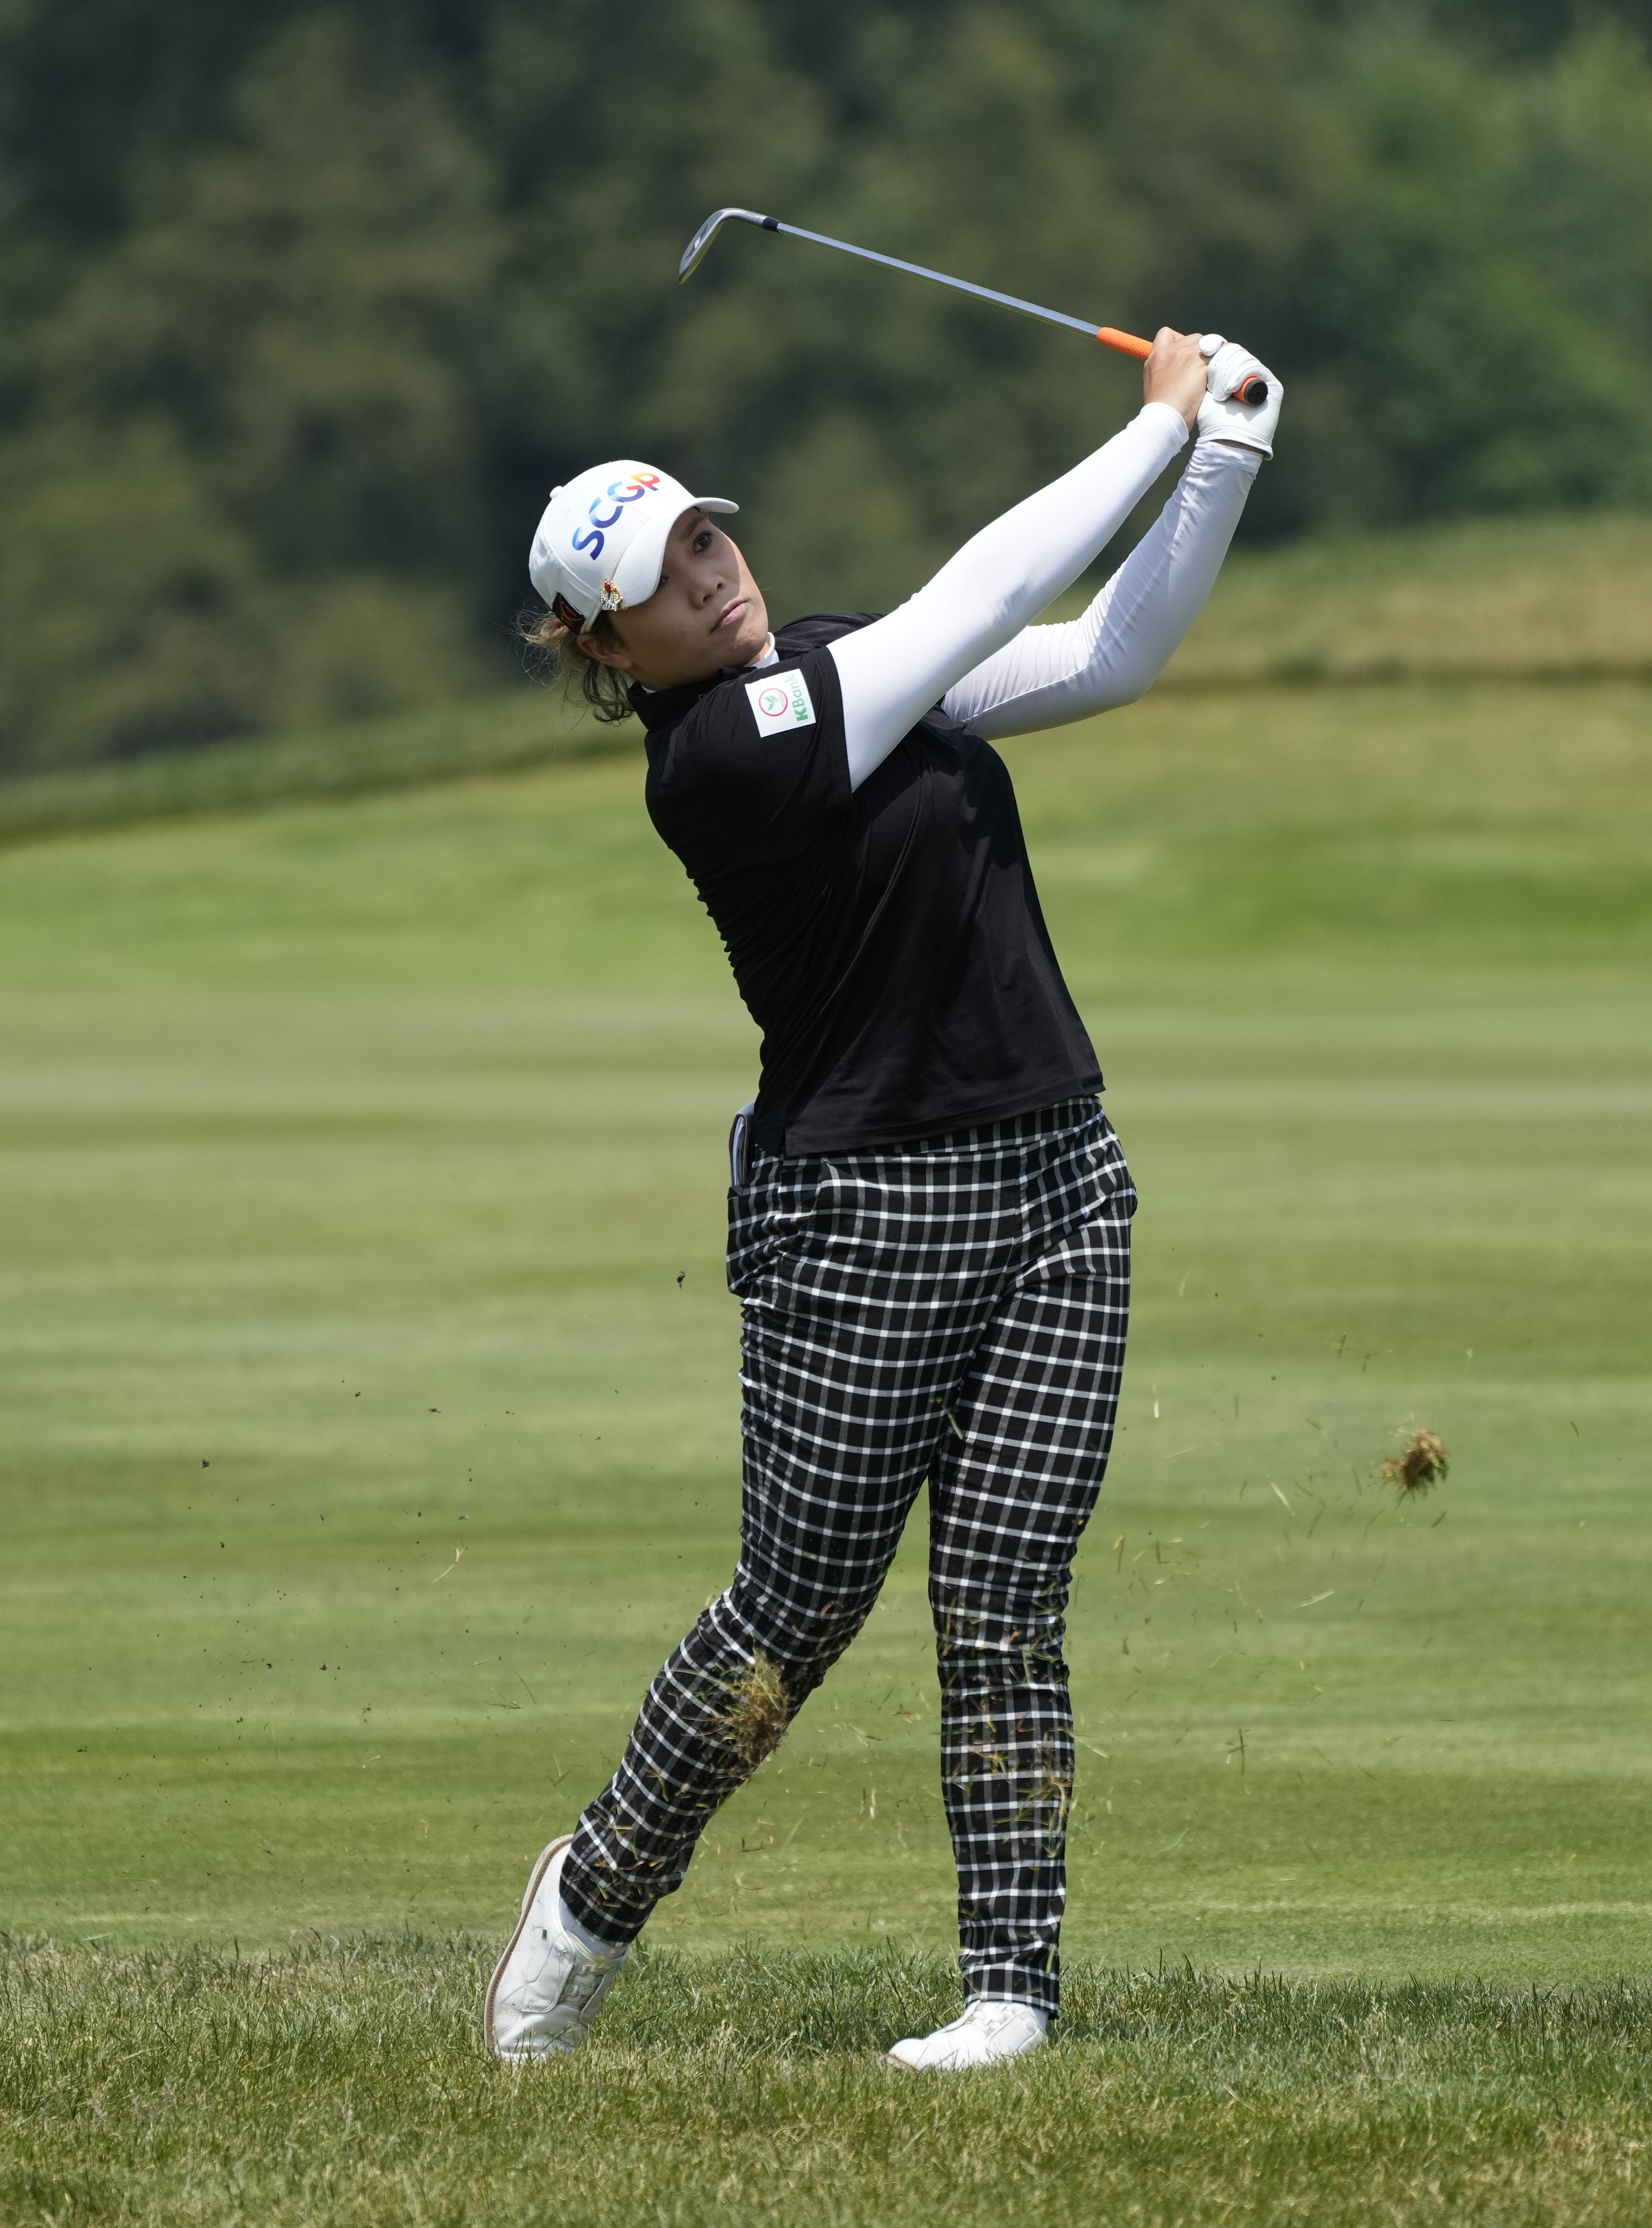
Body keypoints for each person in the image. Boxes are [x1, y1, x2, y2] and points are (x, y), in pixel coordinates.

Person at [484, 328, 1282, 2071]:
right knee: (794, 1614)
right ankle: (593, 1895)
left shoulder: (833, 661)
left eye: (705, 540)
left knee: (1004, 1599)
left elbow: (1099, 654)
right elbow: (984, 589)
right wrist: (1149, 429)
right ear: (606, 648)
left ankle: (1007, 1992)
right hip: (863, 1215)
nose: (712, 579)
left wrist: (1217, 460)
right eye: (664, 583)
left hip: (1058, 1171)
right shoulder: (716, 762)